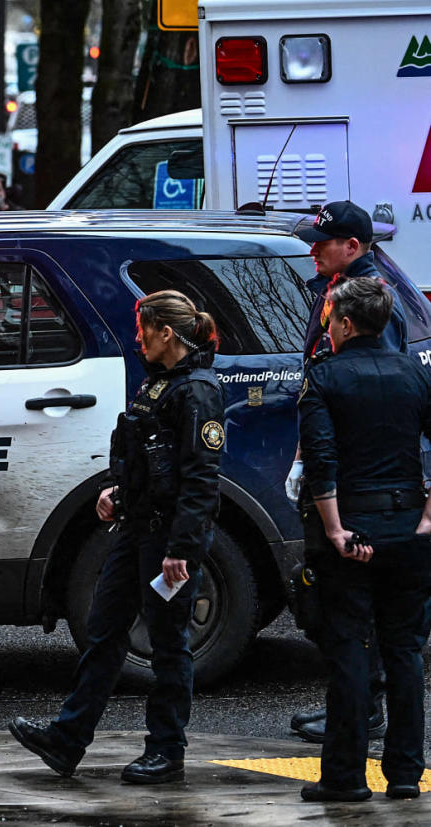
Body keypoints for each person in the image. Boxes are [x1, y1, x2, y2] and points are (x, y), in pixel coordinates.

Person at [9, 290, 224, 784]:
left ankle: (167, 751)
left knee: (169, 646)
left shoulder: (197, 392)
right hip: (135, 531)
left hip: (168, 541)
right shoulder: (159, 385)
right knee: (104, 633)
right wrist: (114, 490)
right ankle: (66, 741)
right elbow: (142, 457)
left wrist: (182, 551)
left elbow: (200, 480)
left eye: (143, 328)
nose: (137, 337)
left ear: (166, 333)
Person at [296, 276, 431, 802]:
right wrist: (426, 517)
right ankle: (404, 774)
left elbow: (321, 459)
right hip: (408, 527)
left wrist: (333, 529)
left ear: (346, 324)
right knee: (405, 651)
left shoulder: (324, 378)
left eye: (330, 319)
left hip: (351, 528)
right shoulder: (414, 375)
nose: (327, 327)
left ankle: (346, 777)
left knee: (350, 649)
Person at [284, 200, 405, 744]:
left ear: (352, 247)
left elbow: (380, 387)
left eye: (322, 241)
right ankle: (359, 705)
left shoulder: (370, 298)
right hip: (344, 461)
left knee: (354, 595)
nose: (313, 247)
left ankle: (366, 710)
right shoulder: (337, 289)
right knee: (337, 595)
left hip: (360, 473)